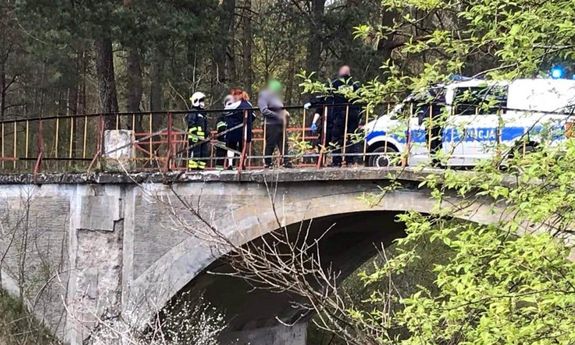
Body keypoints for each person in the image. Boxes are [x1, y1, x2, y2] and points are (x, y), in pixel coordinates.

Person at [306, 65, 361, 167]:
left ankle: (337, 161)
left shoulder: (335, 84)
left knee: (337, 137)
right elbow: (362, 100)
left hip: (340, 114)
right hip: (353, 114)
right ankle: (350, 161)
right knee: (352, 137)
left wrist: (311, 103)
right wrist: (360, 114)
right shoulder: (355, 85)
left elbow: (323, 97)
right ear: (349, 74)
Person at [258, 79, 291, 168]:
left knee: (284, 143)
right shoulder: (264, 96)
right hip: (270, 124)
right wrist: (277, 115)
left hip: (281, 124)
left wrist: (285, 114)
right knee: (271, 143)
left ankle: (286, 161)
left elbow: (281, 108)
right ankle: (268, 162)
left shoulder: (276, 98)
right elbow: (264, 110)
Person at [224, 89, 253, 168]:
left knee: (231, 146)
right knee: (243, 147)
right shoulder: (249, 104)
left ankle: (230, 164)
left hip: (235, 129)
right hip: (246, 129)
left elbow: (226, 110)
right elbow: (253, 116)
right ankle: (242, 163)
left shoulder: (237, 104)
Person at [186, 92, 209, 170]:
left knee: (204, 154)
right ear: (196, 101)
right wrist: (194, 135)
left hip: (203, 138)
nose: (203, 102)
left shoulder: (203, 113)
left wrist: (207, 133)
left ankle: (200, 169)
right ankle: (193, 169)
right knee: (195, 153)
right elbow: (191, 124)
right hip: (195, 138)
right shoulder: (193, 111)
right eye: (201, 100)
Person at [214, 95, 233, 169]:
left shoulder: (234, 115)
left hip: (231, 139)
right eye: (229, 104)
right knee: (220, 155)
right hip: (221, 139)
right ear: (225, 104)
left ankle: (231, 167)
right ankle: (218, 170)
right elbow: (219, 126)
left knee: (233, 154)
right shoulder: (221, 116)